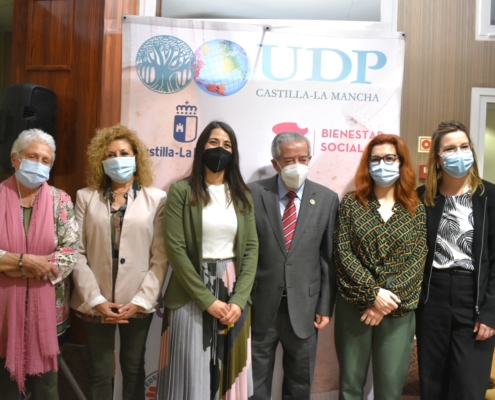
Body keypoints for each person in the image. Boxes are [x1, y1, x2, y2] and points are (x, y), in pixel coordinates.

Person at [156, 121, 258, 400]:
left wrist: (238, 300)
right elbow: (176, 251)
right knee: (188, 376)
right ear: (201, 147)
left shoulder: (243, 196)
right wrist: (207, 301)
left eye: (227, 145)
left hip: (233, 291)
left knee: (229, 378)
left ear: (234, 153)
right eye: (213, 143)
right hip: (189, 290)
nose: (220, 149)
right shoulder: (180, 191)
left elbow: (251, 250)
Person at [70, 124, 167, 400]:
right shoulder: (85, 197)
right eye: (110, 154)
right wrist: (95, 300)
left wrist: (140, 301)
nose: (117, 158)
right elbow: (76, 253)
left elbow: (160, 257)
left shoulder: (156, 199)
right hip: (93, 301)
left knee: (134, 368)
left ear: (136, 157)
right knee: (100, 372)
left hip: (137, 302)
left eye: (124, 152)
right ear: (102, 160)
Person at [333, 134, 427, 400]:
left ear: (401, 162)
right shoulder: (352, 204)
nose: (382, 164)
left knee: (390, 390)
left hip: (397, 310)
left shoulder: (415, 208)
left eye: (389, 158)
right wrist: (372, 294)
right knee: (350, 387)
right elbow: (343, 253)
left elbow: (418, 258)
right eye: (376, 159)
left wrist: (386, 299)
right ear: (367, 164)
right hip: (355, 307)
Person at [248, 131, 339, 400]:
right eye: (289, 160)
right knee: (255, 381)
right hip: (260, 303)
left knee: (300, 382)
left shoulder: (326, 198)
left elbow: (327, 258)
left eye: (302, 158)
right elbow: (244, 252)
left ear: (310, 159)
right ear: (275, 163)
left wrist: (325, 305)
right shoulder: (252, 194)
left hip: (305, 307)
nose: (296, 165)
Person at [416, 120, 495, 400]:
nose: (459, 153)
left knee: (468, 387)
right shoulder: (422, 198)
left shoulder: (490, 196)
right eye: (450, 149)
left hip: (472, 300)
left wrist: (490, 312)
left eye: (464, 146)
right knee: (433, 384)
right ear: (437, 157)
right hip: (432, 299)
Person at [0, 128, 79, 399]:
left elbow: (69, 252)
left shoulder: (61, 201)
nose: (39, 164)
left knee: (46, 388)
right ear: (15, 159)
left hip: (47, 315)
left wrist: (8, 263)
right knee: (5, 387)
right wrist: (25, 263)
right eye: (32, 156)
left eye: (45, 160)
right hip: (2, 316)